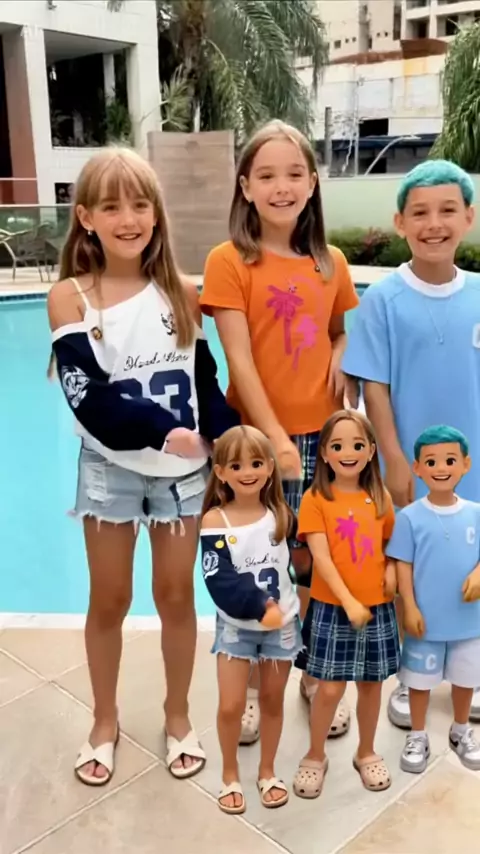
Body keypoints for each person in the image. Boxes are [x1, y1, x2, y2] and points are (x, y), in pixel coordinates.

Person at [47, 147, 239, 786]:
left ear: (156, 214)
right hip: (110, 471)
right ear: (86, 217)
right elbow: (89, 399)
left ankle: (177, 715)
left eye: (139, 204)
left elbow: (203, 380)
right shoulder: (71, 297)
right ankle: (104, 720)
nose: (128, 219)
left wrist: (224, 436)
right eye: (111, 206)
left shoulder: (181, 292)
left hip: (183, 477)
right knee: (110, 598)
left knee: (176, 596)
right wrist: (168, 433)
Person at [200, 119, 359, 743]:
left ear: (313, 183)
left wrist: (341, 351)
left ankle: (313, 672)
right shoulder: (228, 261)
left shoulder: (330, 262)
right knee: (254, 560)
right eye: (265, 175)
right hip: (255, 445)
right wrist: (275, 441)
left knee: (316, 561)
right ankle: (246, 687)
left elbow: (341, 330)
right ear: (245, 187)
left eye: (294, 173)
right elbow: (238, 360)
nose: (281, 186)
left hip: (325, 439)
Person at [342, 159, 480, 728]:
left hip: (472, 461)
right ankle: (414, 674)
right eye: (420, 213)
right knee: (414, 567)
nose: (434, 224)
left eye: (448, 210)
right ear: (400, 223)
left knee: (469, 562)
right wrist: (394, 457)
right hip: (411, 465)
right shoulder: (383, 299)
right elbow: (374, 385)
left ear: (469, 217)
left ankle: (470, 670)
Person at [293, 410, 399, 799]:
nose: (348, 453)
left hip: (377, 608)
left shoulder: (381, 498)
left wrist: (391, 572)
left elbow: (392, 547)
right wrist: (349, 601)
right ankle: (315, 754)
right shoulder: (315, 499)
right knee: (329, 689)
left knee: (371, 686)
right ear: (323, 453)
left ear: (371, 451)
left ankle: (366, 751)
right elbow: (320, 558)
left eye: (357, 445)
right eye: (338, 446)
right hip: (332, 608)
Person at [200, 425, 302, 814]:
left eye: (257, 463)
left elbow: (299, 564)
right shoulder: (215, 522)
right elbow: (221, 579)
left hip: (283, 628)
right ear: (221, 472)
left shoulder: (281, 515)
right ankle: (230, 774)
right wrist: (262, 607)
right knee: (231, 706)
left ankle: (266, 771)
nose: (248, 472)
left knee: (273, 701)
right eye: (237, 465)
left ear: (270, 468)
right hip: (237, 628)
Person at [386, 426, 480, 773]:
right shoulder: (410, 517)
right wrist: (409, 606)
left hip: (468, 621)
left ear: (465, 464)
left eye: (450, 460)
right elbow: (403, 564)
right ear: (417, 468)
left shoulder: (475, 513)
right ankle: (418, 734)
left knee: (466, 678)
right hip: (424, 621)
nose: (441, 468)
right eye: (431, 462)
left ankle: (461, 729)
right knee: (418, 682)